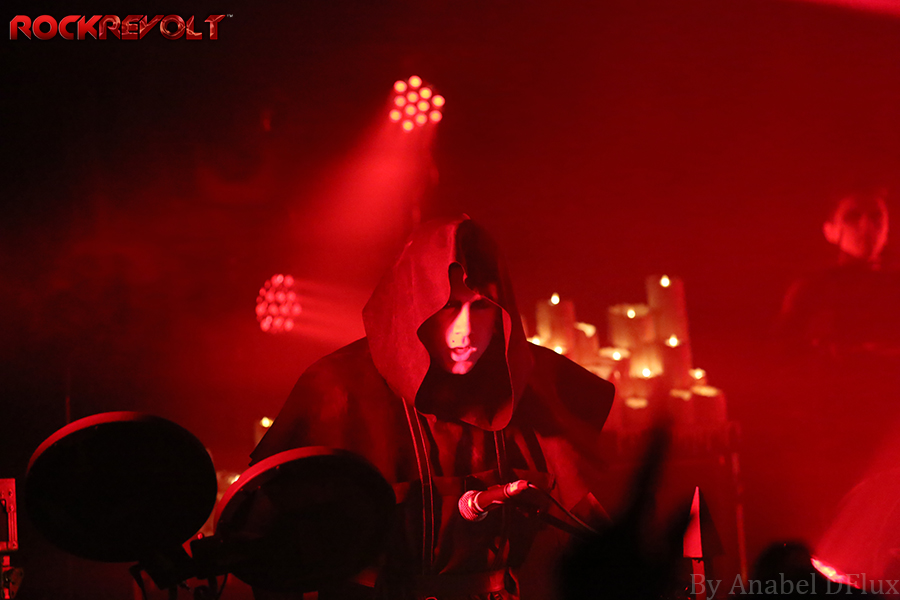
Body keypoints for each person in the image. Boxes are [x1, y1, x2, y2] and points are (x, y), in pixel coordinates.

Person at [251, 215, 615, 600]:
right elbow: (266, 537)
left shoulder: (526, 379)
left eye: (481, 307)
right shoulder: (338, 388)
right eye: (448, 307)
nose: (465, 332)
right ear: (414, 305)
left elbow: (588, 518)